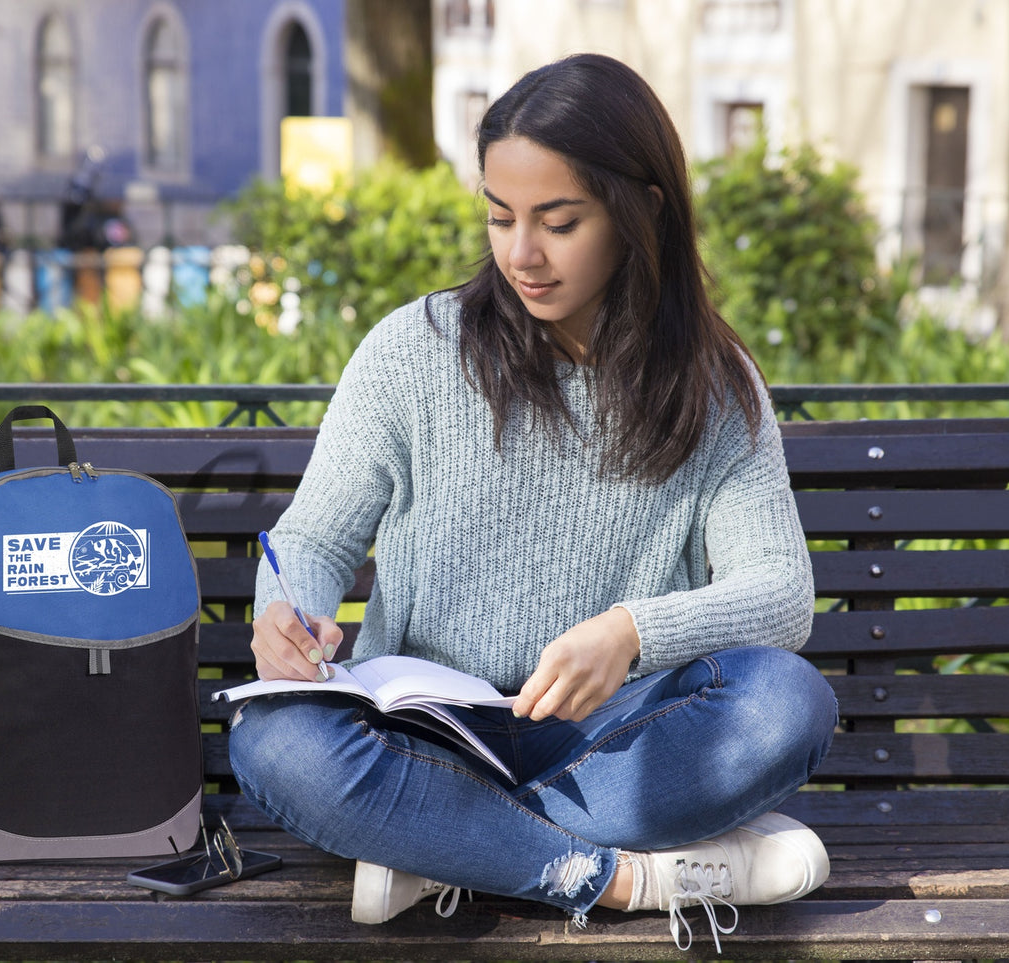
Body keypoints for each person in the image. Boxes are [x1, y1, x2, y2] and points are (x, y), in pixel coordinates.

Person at [227, 53, 837, 952]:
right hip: (424, 736)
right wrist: (289, 614)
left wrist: (629, 632)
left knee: (786, 703)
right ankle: (615, 878)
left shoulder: (711, 384)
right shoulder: (413, 350)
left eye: (558, 222)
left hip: (612, 741)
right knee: (273, 741)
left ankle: (438, 843)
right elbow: (313, 538)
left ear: (641, 211)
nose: (521, 254)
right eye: (499, 216)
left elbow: (781, 593)